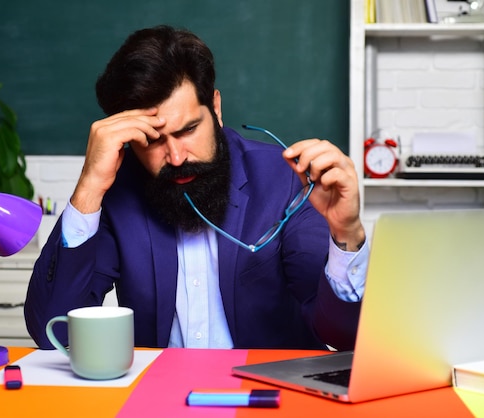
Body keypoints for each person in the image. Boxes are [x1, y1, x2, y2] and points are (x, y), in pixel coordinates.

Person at [24, 25, 369, 351]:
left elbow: (341, 334)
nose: (175, 157)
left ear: (216, 108)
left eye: (188, 129)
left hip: (271, 403)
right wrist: (89, 187)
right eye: (153, 140)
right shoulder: (118, 190)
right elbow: (52, 334)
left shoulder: (286, 178)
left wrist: (346, 232)